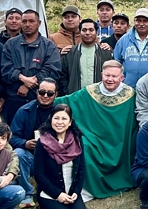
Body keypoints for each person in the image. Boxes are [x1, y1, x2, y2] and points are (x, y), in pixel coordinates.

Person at [54, 60, 137, 200]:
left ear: (122, 77)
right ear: (101, 75)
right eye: (107, 75)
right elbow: (69, 101)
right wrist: (45, 100)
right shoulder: (90, 92)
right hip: (95, 140)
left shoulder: (130, 95)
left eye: (114, 76)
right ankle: (85, 188)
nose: (110, 79)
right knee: (83, 146)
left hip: (120, 144)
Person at [33, 104, 89, 209]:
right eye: (56, 118)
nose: (60, 122)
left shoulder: (77, 140)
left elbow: (81, 169)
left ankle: (65, 205)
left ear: (70, 122)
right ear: (51, 120)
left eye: (64, 119)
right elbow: (39, 174)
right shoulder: (42, 143)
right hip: (50, 193)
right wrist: (58, 195)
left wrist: (76, 191)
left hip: (70, 192)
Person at [0, 9, 61, 123]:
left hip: (39, 101)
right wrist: (22, 78)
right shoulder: (10, 45)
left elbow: (53, 70)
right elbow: (5, 70)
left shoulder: (49, 46)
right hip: (14, 100)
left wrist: (29, 85)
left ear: (39, 23)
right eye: (24, 21)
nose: (27, 24)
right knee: (12, 137)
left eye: (31, 21)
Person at [10, 79, 58, 208]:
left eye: (50, 93)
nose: (45, 96)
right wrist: (25, 143)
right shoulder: (24, 110)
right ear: (37, 92)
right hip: (32, 157)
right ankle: (27, 193)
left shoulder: (61, 112)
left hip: (55, 157)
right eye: (42, 92)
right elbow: (11, 137)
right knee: (19, 153)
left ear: (56, 94)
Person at [57, 18, 114, 95]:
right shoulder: (69, 53)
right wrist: (68, 91)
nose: (87, 33)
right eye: (84, 30)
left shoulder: (105, 53)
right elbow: (62, 76)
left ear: (96, 32)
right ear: (80, 32)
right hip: (75, 98)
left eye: (91, 30)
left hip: (99, 98)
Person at [113, 8, 148, 87]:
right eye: (138, 20)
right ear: (134, 21)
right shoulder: (124, 40)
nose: (141, 24)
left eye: (145, 21)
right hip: (128, 88)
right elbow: (116, 62)